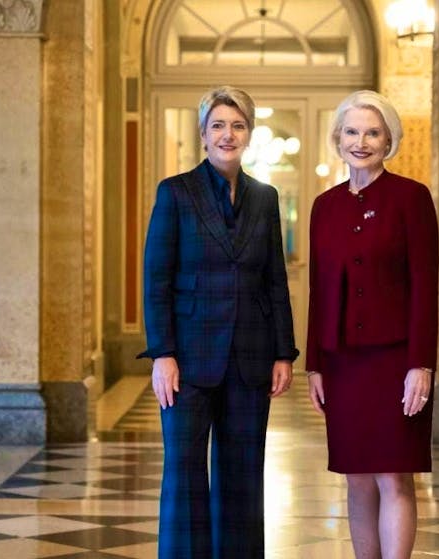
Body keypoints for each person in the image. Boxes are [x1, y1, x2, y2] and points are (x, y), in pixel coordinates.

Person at [138, 85, 299, 559]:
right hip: (187, 361)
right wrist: (162, 354)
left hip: (250, 359)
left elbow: (275, 279)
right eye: (218, 126)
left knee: (243, 474)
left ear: (249, 133)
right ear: (203, 135)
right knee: (185, 471)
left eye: (238, 125)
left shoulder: (265, 198)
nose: (228, 134)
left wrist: (283, 352)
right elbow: (156, 279)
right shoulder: (176, 193)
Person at [305, 90, 438, 558]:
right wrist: (315, 365)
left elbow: (425, 286)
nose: (361, 142)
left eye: (372, 133)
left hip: (396, 360)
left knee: (393, 474)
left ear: (389, 141)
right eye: (352, 132)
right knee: (357, 477)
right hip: (342, 363)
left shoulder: (412, 198)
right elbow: (318, 291)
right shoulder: (325, 206)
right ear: (337, 139)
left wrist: (420, 364)